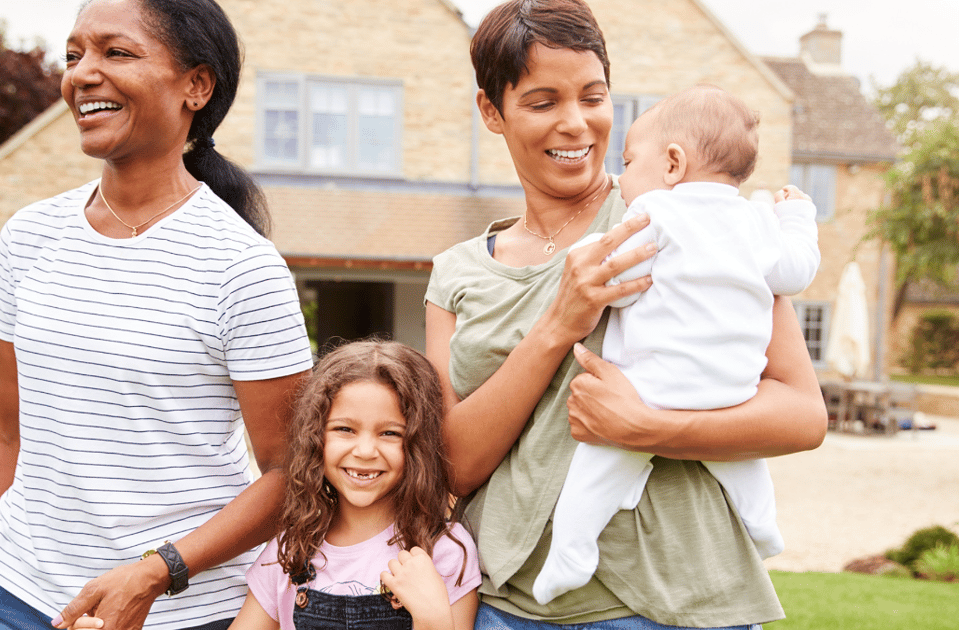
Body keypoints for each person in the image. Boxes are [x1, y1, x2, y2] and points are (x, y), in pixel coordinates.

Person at [423, 1, 828, 628]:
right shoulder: (457, 272)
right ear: (491, 111)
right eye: (541, 102)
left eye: (593, 96)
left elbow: (801, 416)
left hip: (677, 602)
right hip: (507, 606)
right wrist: (560, 322)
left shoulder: (686, 211)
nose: (576, 124)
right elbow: (453, 464)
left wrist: (649, 428)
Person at [0, 1, 314, 629]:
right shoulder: (28, 237)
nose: (82, 74)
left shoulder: (242, 268)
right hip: (23, 597)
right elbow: (7, 428)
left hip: (177, 611)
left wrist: (157, 571)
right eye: (73, 56)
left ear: (196, 86)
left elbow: (293, 474)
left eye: (116, 53)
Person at [533, 85, 822, 604]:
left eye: (628, 162)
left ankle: (570, 555)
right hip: (734, 390)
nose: (621, 180)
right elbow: (795, 272)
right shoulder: (757, 221)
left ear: (672, 163)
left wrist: (577, 252)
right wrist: (798, 218)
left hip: (654, 389)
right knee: (740, 461)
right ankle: (763, 527)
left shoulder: (655, 216)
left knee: (594, 470)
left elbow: (612, 274)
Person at [227, 340, 481, 630]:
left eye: (389, 433)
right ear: (315, 437)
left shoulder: (446, 551)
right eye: (344, 429)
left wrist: (433, 619)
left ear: (419, 444)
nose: (364, 451)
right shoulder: (289, 551)